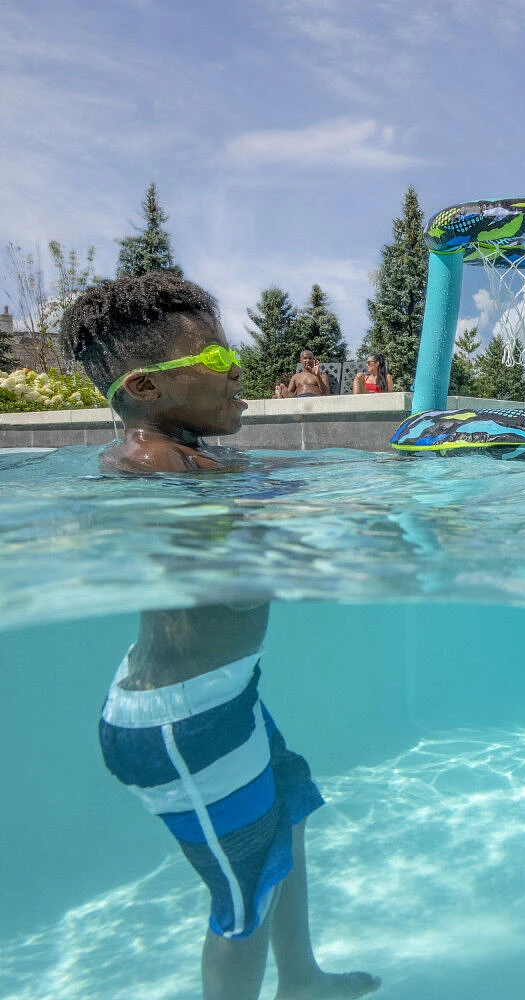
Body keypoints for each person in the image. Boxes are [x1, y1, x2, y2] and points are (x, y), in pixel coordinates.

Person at [59, 272, 380, 1000]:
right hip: (183, 726)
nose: (239, 372)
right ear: (144, 388)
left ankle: (301, 981)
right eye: (215, 362)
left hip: (224, 699)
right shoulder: (148, 466)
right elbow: (234, 584)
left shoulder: (197, 456)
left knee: (287, 812)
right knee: (243, 904)